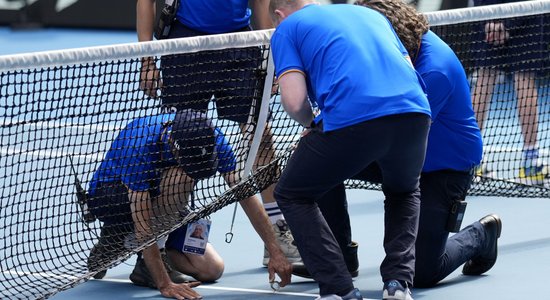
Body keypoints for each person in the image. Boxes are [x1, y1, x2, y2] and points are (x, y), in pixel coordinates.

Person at [314, 0, 503, 292]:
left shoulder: (434, 71)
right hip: (397, 152)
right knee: (321, 161)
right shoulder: (391, 52)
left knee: (423, 273)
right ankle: (340, 255)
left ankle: (481, 235)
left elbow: (396, 134)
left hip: (443, 169)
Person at [269, 1, 432, 299]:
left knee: (292, 193)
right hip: (416, 112)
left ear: (279, 15)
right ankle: (397, 284)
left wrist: (314, 123)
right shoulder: (371, 14)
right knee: (404, 191)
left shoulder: (286, 29)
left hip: (354, 118)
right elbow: (407, 67)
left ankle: (338, 289)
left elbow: (293, 102)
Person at [135, 0, 302, 267]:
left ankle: (279, 231)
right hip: (185, 46)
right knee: (179, 148)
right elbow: (146, 2)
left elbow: (260, 2)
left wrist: (273, 58)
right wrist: (147, 60)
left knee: (261, 136)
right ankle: (158, 245)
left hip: (239, 46)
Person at [86, 109, 292, 299]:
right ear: (175, 149)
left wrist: (276, 251)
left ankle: (122, 242)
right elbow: (143, 225)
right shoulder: (139, 146)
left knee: (212, 269)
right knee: (180, 178)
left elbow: (245, 196)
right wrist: (164, 284)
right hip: (112, 200)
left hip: (166, 207)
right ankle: (124, 240)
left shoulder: (214, 140)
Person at [471, 0, 547, 184]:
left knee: (485, 78)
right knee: (524, 79)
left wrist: (490, 19)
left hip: (488, 11)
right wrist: (507, 21)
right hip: (524, 12)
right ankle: (531, 163)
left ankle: (471, 161)